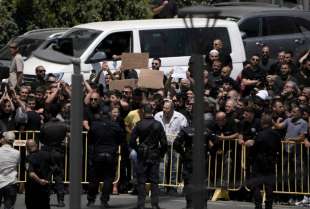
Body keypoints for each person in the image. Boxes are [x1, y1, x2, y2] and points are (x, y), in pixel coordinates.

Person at [130, 103, 168, 209]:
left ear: (143, 111)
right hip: (154, 154)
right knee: (154, 181)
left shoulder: (139, 124)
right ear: (153, 111)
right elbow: (164, 143)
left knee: (141, 181)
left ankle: (140, 204)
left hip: (142, 154)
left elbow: (132, 141)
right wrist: (160, 153)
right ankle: (155, 205)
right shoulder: (158, 124)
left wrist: (138, 150)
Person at [174, 121, 217, 209]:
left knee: (189, 182)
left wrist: (183, 153)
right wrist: (210, 152)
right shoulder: (206, 131)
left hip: (190, 159)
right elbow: (216, 141)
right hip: (201, 159)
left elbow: (176, 143)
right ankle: (203, 204)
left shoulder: (186, 130)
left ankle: (190, 204)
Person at [87, 111, 124, 208]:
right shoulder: (115, 126)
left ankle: (91, 199)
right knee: (108, 178)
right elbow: (121, 139)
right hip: (111, 154)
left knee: (94, 178)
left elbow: (90, 139)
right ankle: (104, 200)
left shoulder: (95, 125)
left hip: (97, 153)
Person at [245, 114, 282, 209]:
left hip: (259, 162)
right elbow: (279, 149)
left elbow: (254, 149)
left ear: (262, 123)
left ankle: (258, 205)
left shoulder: (259, 135)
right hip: (271, 161)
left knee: (256, 185)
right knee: (269, 186)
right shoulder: (277, 135)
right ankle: (268, 205)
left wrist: (250, 159)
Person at [39, 103, 69, 207]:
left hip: (47, 151)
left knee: (46, 176)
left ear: (48, 113)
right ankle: (60, 200)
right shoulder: (63, 125)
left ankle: (45, 198)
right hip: (58, 152)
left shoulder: (44, 126)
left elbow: (41, 139)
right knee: (58, 176)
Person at [25, 139, 53, 209]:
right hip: (45, 186)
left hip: (33, 187)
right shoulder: (47, 154)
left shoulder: (29, 158)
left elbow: (31, 173)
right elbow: (54, 168)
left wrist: (40, 181)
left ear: (27, 148)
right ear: (36, 145)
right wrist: (48, 180)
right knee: (45, 204)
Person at [0, 131, 20, 209]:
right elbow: (17, 165)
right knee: (9, 206)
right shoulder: (17, 153)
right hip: (11, 182)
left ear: (4, 140)